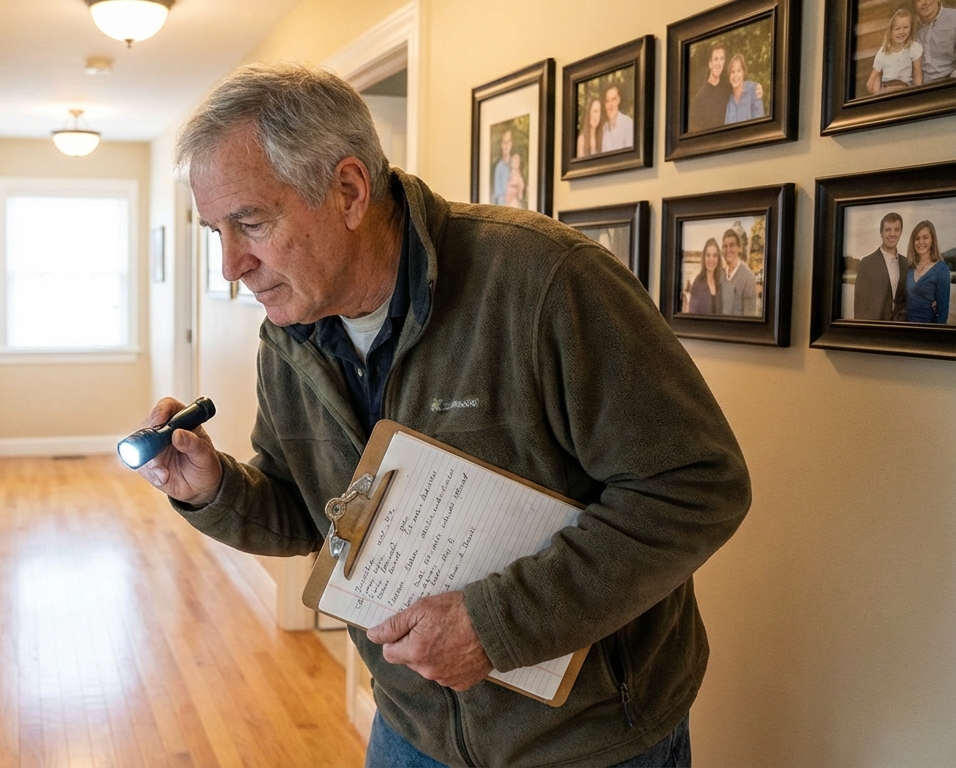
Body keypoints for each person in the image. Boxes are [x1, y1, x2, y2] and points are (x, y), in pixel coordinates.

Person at [143, 62, 750, 768]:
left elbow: (697, 486)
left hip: (586, 743)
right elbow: (315, 515)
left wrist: (494, 625)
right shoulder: (290, 334)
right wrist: (212, 489)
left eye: (250, 222)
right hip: (411, 727)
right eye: (216, 230)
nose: (230, 266)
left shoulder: (546, 281)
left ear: (347, 190)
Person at [854, 212, 909, 321]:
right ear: (881, 232)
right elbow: (860, 305)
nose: (892, 234)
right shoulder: (866, 263)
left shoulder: (906, 263)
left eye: (896, 230)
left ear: (901, 232)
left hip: (900, 329)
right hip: (875, 328)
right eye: (888, 229)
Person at [867, 8, 925, 95]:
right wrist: (877, 91)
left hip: (904, 89)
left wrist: (916, 94)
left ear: (911, 27)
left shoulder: (914, 48)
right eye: (897, 28)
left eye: (905, 27)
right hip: (886, 89)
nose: (901, 32)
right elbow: (872, 79)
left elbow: (918, 75)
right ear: (890, 31)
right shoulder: (884, 52)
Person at [904, 220, 950, 324]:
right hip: (907, 328)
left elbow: (943, 313)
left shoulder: (941, 269)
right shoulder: (910, 268)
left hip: (926, 330)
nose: (921, 242)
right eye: (917, 238)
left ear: (932, 240)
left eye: (925, 237)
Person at [689, 43, 730, 131]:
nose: (718, 63)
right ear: (710, 64)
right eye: (715, 59)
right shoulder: (699, 98)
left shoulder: (727, 90)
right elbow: (695, 130)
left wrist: (757, 87)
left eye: (721, 59)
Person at [718, 228, 758, 316]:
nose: (728, 249)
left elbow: (749, 315)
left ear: (739, 248)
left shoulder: (748, 277)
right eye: (725, 246)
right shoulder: (721, 275)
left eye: (732, 245)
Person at [915, 0, 956, 82]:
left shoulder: (954, 18)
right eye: (919, 0)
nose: (924, 2)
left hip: (950, 81)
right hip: (921, 86)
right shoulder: (911, 26)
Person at [723, 54, 766, 124]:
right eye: (732, 72)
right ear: (729, 75)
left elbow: (760, 124)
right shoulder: (727, 97)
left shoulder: (754, 91)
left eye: (738, 70)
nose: (735, 75)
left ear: (744, 72)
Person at [686, 238, 724, 314]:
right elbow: (692, 315)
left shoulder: (721, 280)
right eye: (708, 255)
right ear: (704, 257)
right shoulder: (698, 283)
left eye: (714, 255)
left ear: (718, 258)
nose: (711, 259)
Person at [600, 84, 634, 151]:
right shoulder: (604, 128)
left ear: (618, 100)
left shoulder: (628, 123)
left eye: (613, 99)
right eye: (607, 101)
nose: (610, 104)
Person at [491, 130, 513, 206]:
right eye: (504, 142)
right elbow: (499, 197)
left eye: (509, 142)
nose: (506, 145)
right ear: (501, 145)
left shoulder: (516, 164)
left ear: (511, 144)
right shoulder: (499, 168)